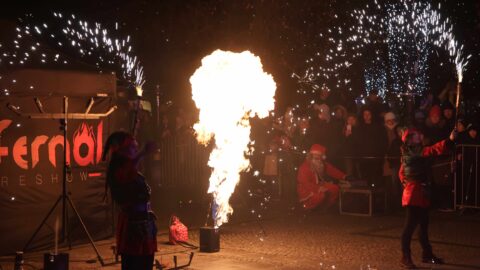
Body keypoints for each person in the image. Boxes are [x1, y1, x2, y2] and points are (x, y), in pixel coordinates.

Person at [399, 128, 456, 268]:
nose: (420, 136)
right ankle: (405, 257)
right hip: (413, 194)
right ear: (410, 139)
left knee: (423, 227)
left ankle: (427, 254)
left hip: (420, 193)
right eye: (417, 135)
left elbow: (401, 173)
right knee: (409, 228)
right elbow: (432, 150)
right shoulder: (414, 151)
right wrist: (449, 140)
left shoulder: (412, 151)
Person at [103, 131, 158, 270]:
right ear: (122, 151)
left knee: (146, 265)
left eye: (136, 147)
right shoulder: (118, 170)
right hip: (132, 228)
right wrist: (143, 153)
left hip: (144, 226)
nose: (135, 150)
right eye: (132, 147)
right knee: (133, 265)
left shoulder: (132, 169)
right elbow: (127, 172)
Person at [297, 144, 349, 210]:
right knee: (320, 195)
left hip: (319, 185)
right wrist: (318, 188)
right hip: (306, 189)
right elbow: (304, 183)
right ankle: (310, 208)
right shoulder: (304, 167)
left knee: (334, 189)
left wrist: (344, 176)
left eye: (319, 157)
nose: (318, 160)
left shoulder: (322, 164)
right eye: (316, 158)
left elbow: (332, 170)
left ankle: (325, 207)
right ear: (310, 157)